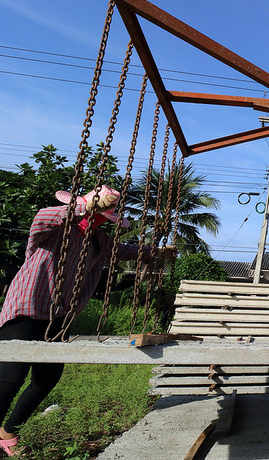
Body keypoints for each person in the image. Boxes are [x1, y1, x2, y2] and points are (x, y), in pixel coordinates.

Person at [0, 186, 174, 456]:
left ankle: (8, 431)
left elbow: (127, 251)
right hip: (27, 308)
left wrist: (157, 252)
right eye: (99, 213)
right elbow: (43, 217)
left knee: (46, 379)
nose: (99, 220)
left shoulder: (99, 241)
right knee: (10, 377)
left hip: (59, 317)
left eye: (105, 217)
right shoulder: (52, 228)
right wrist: (85, 207)